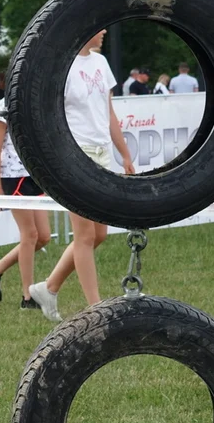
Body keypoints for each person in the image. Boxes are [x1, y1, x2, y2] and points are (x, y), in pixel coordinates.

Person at [29, 29, 136, 322]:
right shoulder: (61, 66)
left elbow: (109, 112)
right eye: (98, 27)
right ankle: (96, 308)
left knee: (99, 234)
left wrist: (124, 154)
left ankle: (47, 288)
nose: (103, 32)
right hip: (76, 155)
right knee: (85, 235)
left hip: (103, 154)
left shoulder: (101, 62)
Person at [0, 97, 50, 309]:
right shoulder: (3, 107)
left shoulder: (32, 102)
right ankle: (27, 297)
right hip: (13, 177)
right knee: (30, 235)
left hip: (33, 175)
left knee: (43, 236)